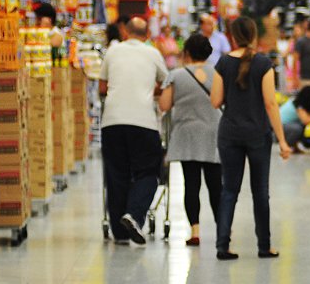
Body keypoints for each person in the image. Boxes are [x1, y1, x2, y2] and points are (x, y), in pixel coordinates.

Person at [210, 15, 290, 261]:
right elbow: (270, 103)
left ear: (233, 37)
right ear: (254, 35)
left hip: (230, 134)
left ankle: (223, 246)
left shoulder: (223, 63)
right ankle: (264, 246)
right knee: (260, 192)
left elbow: (215, 101)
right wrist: (282, 140)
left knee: (229, 190)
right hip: (258, 134)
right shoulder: (264, 64)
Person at [100, 16, 169, 245]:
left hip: (112, 121)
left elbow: (102, 86)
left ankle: (119, 233)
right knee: (149, 172)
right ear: (147, 34)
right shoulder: (153, 53)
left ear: (124, 32)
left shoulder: (113, 51)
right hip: (143, 122)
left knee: (116, 174)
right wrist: (150, 89)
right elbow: (167, 83)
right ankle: (134, 214)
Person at [159, 33, 221, 247]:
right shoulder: (219, 74)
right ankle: (223, 229)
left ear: (186, 53)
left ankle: (195, 231)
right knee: (216, 186)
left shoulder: (176, 75)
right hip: (213, 134)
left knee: (191, 185)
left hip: (187, 135)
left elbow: (164, 105)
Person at [279, 85, 310, 151]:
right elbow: (306, 120)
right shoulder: (299, 105)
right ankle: (286, 146)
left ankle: (294, 147)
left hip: (285, 125)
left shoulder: (298, 102)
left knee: (299, 126)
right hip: (281, 126)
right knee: (298, 128)